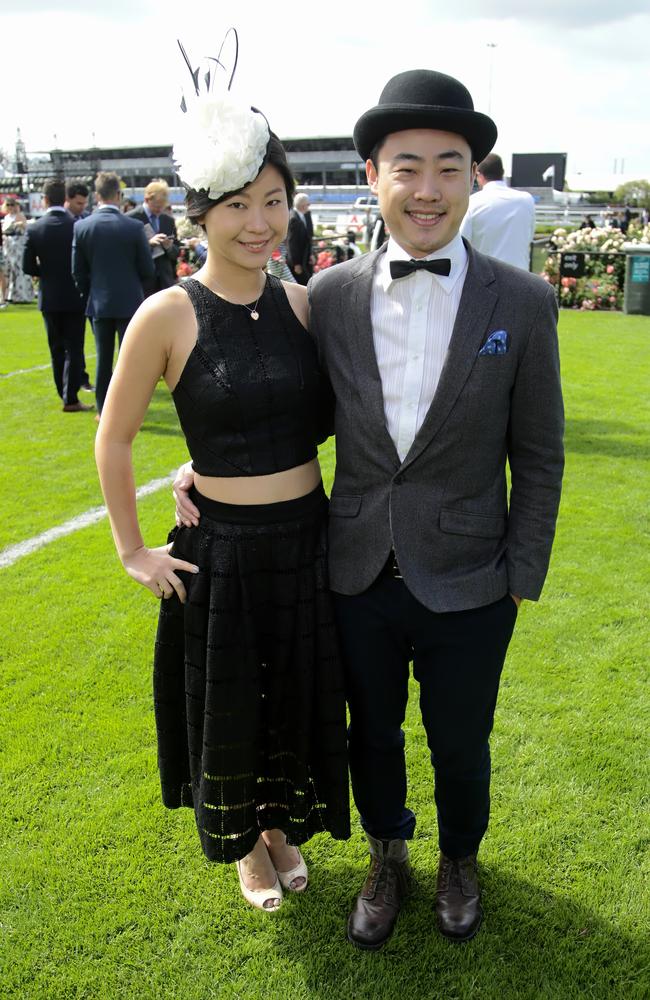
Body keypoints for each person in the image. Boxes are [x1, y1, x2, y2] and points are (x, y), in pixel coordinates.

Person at [174, 67, 564, 949]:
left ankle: (460, 857)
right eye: (407, 166)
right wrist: (196, 468)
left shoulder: (526, 302)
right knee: (372, 735)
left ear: (474, 177)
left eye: (450, 166)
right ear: (373, 175)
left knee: (462, 740)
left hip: (473, 574)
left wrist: (522, 576)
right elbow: (261, 402)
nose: (427, 188)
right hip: (351, 569)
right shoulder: (330, 297)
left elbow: (539, 454)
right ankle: (389, 855)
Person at [95, 81, 350, 913]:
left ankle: (280, 830)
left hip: (308, 538)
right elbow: (116, 437)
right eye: (239, 204)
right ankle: (245, 845)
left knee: (298, 693)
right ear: (202, 212)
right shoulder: (165, 315)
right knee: (234, 700)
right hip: (223, 551)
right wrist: (133, 549)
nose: (260, 223)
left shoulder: (307, 305)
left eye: (274, 201)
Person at [72, 172, 155, 418]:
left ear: (97, 196)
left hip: (99, 303)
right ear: (118, 195)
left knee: (103, 361)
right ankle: (129, 413)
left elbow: (78, 272)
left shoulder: (82, 227)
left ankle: (103, 410)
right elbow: (147, 269)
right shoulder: (133, 227)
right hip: (130, 302)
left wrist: (92, 293)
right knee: (130, 362)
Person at [22, 179, 91, 413]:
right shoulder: (77, 226)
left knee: (56, 348)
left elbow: (27, 266)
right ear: (65, 198)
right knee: (74, 347)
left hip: (49, 297)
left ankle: (64, 394)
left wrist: (47, 274)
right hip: (74, 296)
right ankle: (70, 396)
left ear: (44, 200)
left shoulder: (34, 228)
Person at [460, 153, 535, 270]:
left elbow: (462, 245)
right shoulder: (526, 200)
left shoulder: (472, 203)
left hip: (485, 278)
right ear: (502, 172)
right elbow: (529, 237)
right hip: (522, 278)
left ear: (478, 174)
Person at [127, 180, 179, 295]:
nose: (159, 210)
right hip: (141, 282)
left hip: (164, 282)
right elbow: (126, 250)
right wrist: (148, 244)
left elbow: (176, 251)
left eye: (162, 206)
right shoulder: (131, 218)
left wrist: (169, 246)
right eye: (156, 206)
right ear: (147, 199)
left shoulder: (168, 220)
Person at [1, 197, 34, 303]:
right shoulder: (6, 217)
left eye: (12, 205)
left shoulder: (19, 216)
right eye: (8, 205)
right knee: (9, 270)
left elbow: (24, 227)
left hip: (17, 243)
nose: (10, 207)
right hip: (8, 244)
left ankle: (22, 295)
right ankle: (10, 295)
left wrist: (16, 224)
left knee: (19, 268)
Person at [286, 192, 314, 284]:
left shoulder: (304, 215)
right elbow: (291, 243)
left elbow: (309, 237)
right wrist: (296, 264)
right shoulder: (293, 218)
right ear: (302, 205)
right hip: (298, 262)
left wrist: (311, 254)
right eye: (307, 203)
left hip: (305, 258)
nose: (309, 205)